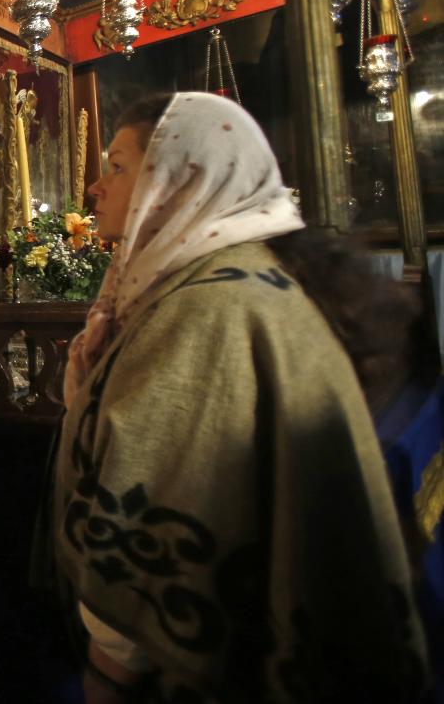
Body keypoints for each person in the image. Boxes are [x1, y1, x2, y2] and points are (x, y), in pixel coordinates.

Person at [57, 91, 425, 703]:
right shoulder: (217, 280)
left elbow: (163, 506)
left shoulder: (209, 308)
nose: (97, 186)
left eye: (118, 166)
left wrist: (107, 674)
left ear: (181, 181)